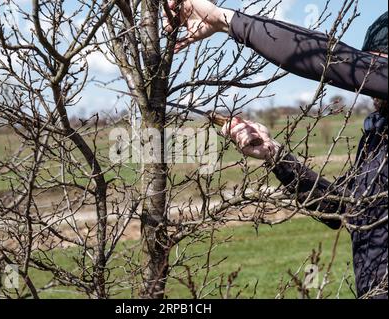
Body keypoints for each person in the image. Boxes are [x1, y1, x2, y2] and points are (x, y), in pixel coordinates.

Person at [164, 1, 388, 299]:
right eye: (367, 63)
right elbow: (339, 208)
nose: (367, 81)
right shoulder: (377, 139)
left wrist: (223, 19)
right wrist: (274, 155)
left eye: (376, 66)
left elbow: (329, 58)